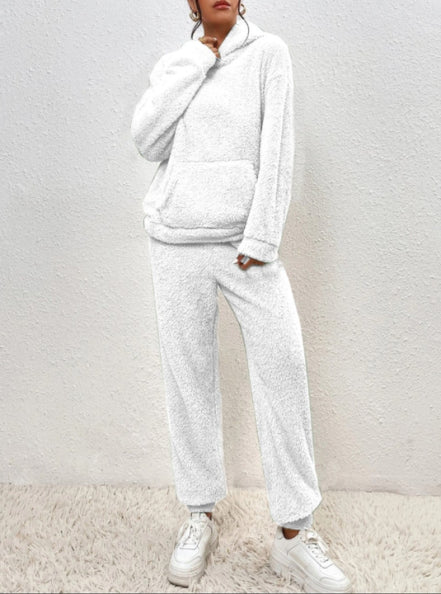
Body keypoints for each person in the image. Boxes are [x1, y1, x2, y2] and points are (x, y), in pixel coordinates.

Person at [131, 1, 352, 592]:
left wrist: (262, 236)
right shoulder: (176, 63)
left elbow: (278, 147)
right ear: (192, 2)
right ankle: (199, 515)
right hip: (175, 240)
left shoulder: (268, 54)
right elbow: (147, 142)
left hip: (244, 246)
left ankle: (294, 535)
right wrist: (195, 62)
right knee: (189, 377)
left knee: (284, 365)